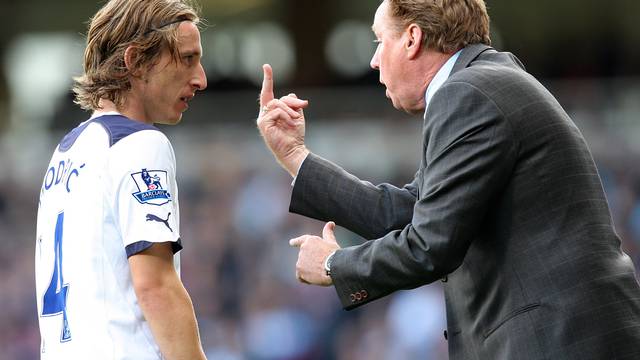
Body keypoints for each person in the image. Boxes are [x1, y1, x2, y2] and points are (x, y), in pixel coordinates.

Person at [256, 0, 640, 358]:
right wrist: (295, 157)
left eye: (379, 40)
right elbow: (408, 213)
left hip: (556, 341)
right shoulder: (485, 84)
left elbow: (429, 245)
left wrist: (334, 265)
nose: (373, 60)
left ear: (411, 38)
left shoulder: (467, 92)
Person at [35, 0, 207, 358]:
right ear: (136, 61)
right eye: (188, 59)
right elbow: (155, 285)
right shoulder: (140, 143)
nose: (201, 79)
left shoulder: (68, 151)